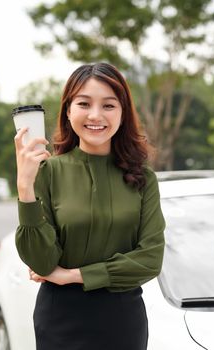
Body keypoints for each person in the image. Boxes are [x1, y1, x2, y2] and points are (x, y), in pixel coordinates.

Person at [14, 62, 166, 350]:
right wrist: (25, 188)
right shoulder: (47, 172)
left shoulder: (143, 178)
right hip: (60, 320)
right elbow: (42, 262)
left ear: (123, 113)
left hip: (123, 322)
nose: (96, 115)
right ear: (68, 111)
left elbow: (150, 260)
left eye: (109, 105)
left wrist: (72, 275)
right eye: (84, 103)